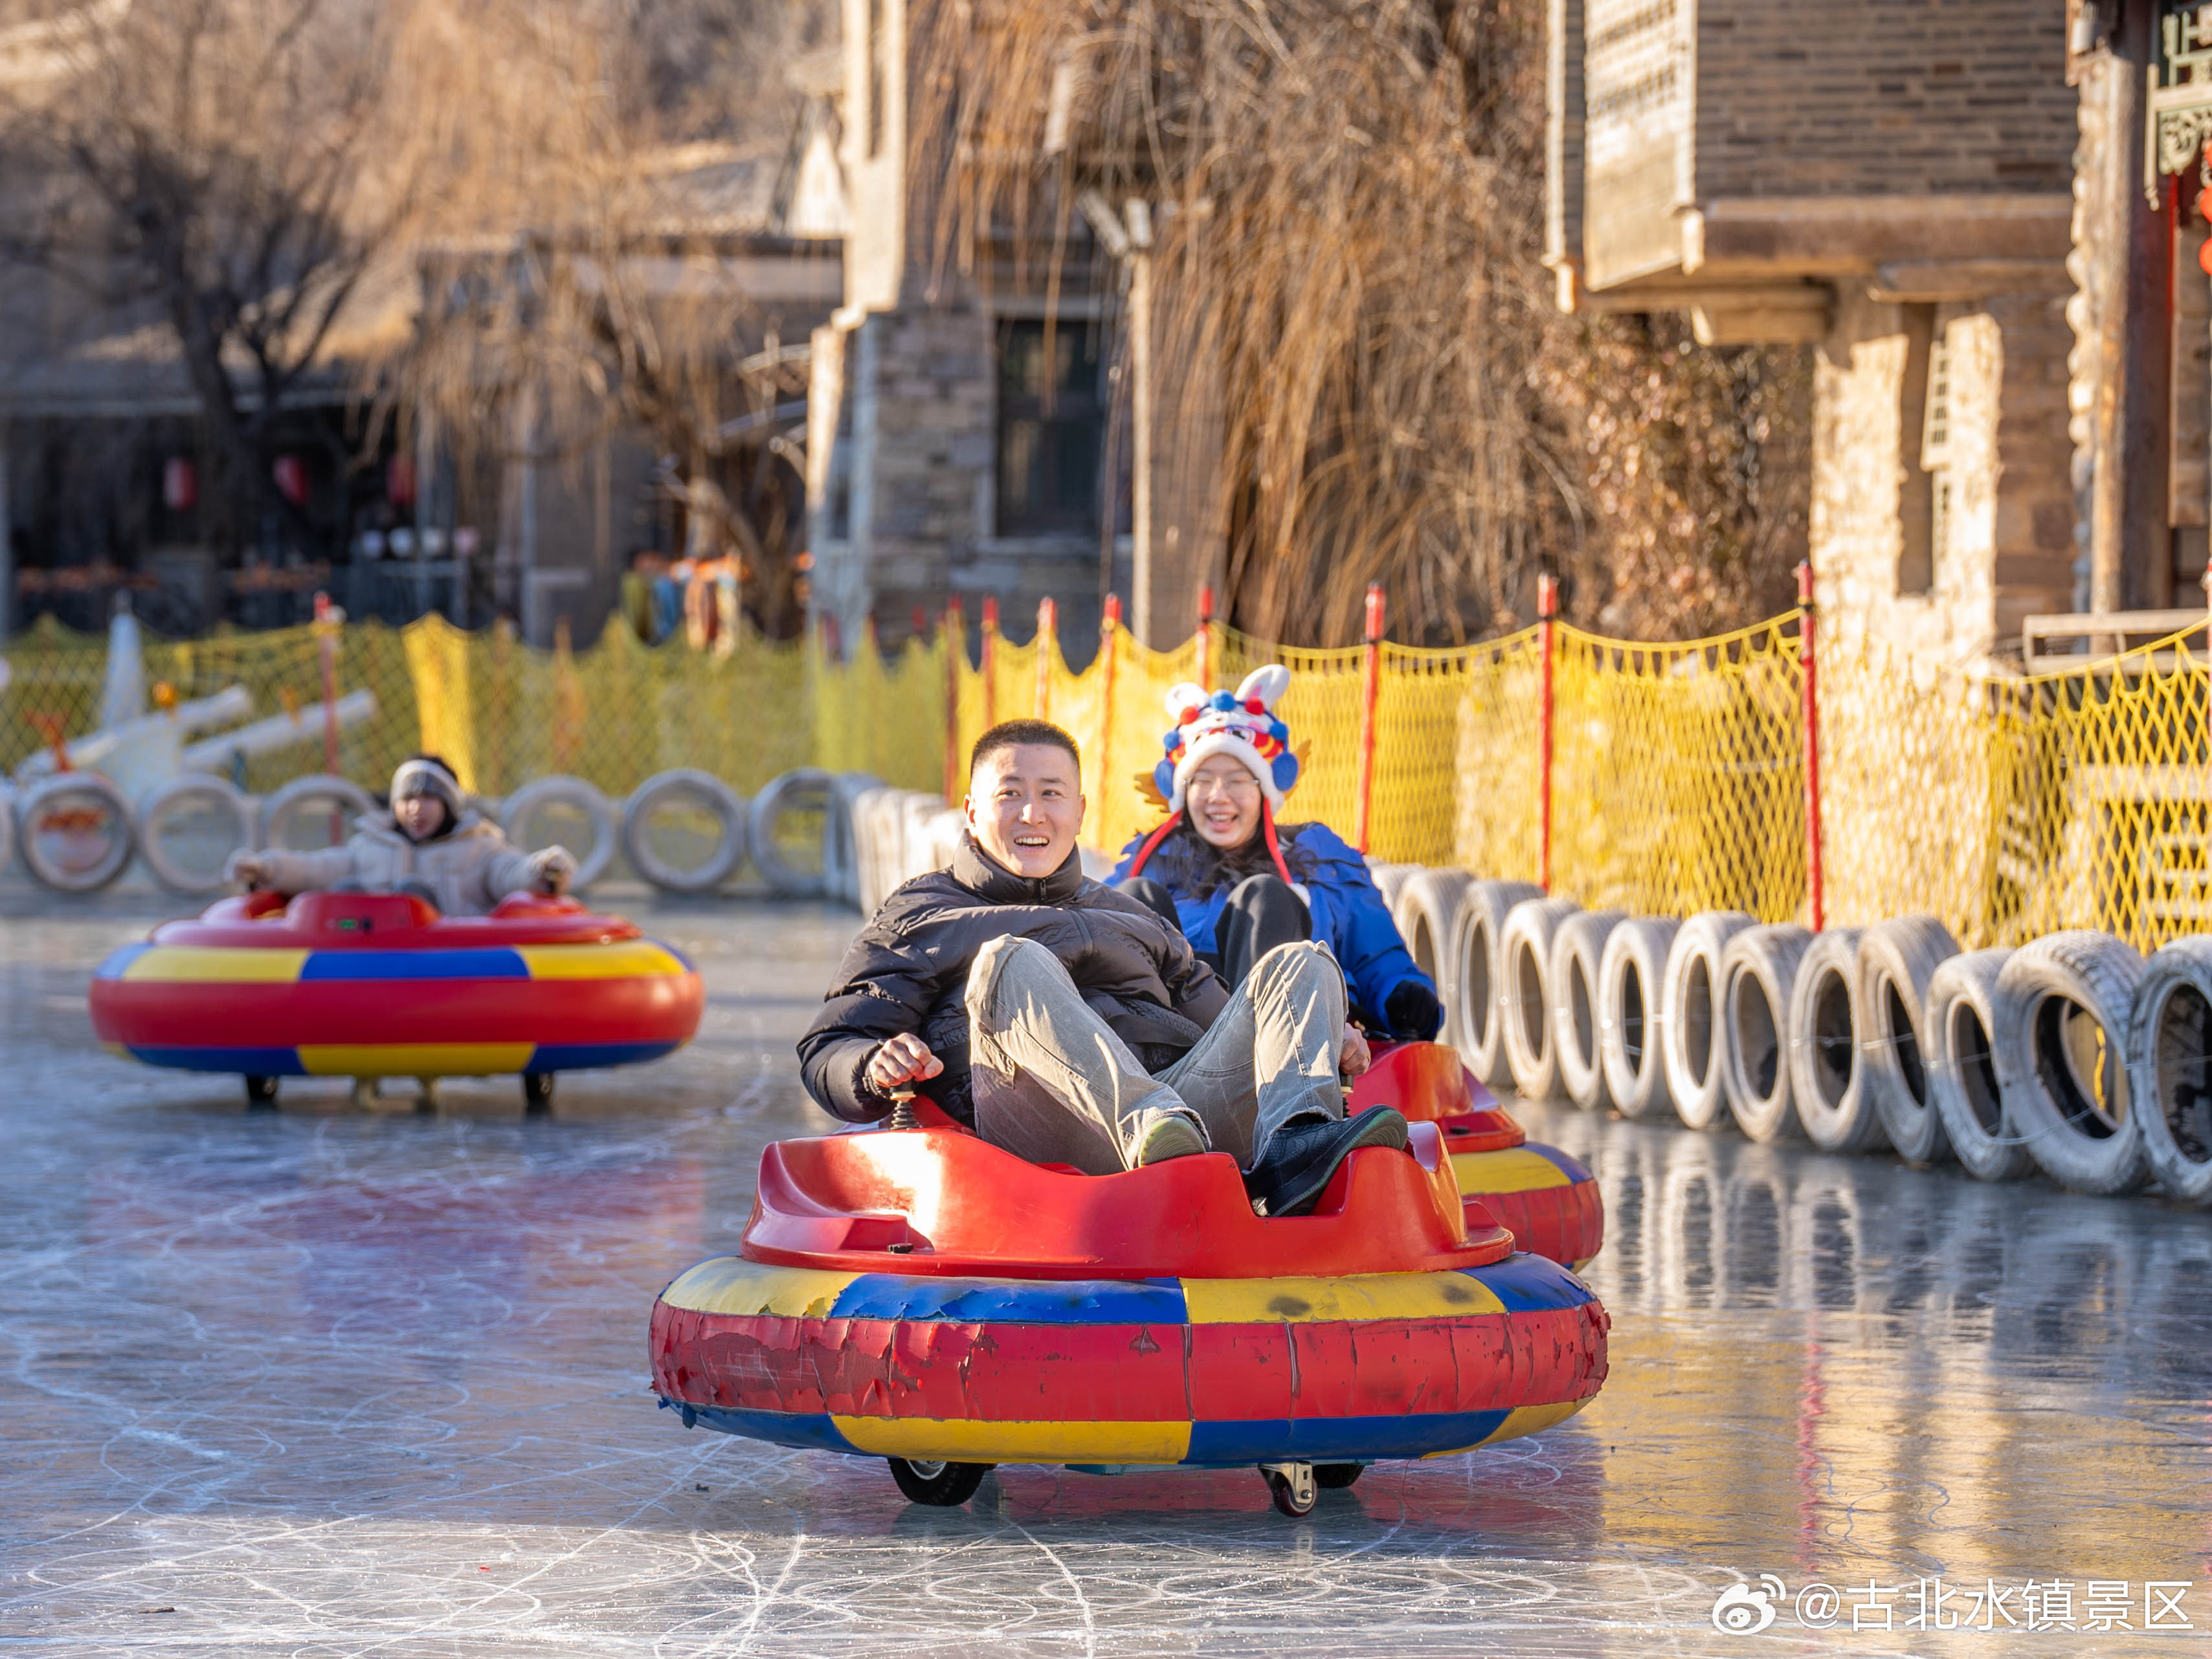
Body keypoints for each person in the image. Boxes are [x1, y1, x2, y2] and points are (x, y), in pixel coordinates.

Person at [798, 718, 1410, 1218]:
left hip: (1181, 1116)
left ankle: (1298, 1141)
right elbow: (830, 1044)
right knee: (1013, 958)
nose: (1032, 814)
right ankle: (1152, 1130)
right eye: (1009, 794)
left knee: (1300, 962)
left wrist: (1319, 1034)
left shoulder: (1125, 913)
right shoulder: (923, 913)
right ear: (971, 810)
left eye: (1050, 794)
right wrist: (870, 1064)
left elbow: (1229, 1021)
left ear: (1080, 809)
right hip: (1031, 1124)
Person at [1109, 666, 1444, 1041]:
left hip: (1280, 1050)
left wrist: (1401, 994)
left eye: (1237, 781)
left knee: (1266, 898)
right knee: (1132, 899)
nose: (1219, 797)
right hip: (1166, 1055)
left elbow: (1376, 956)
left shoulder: (1317, 860)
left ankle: (1262, 1064)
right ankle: (1139, 1071)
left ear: (1266, 789)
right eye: (1202, 781)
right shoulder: (1150, 861)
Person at [225, 754, 577, 917]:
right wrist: (266, 868)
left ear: (449, 806)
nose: (415, 809)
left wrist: (541, 869)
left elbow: (509, 872)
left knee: (412, 895)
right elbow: (314, 868)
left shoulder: (479, 847)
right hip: (378, 965)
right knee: (346, 892)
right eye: (407, 800)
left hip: (448, 964)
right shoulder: (369, 846)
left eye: (428, 799)